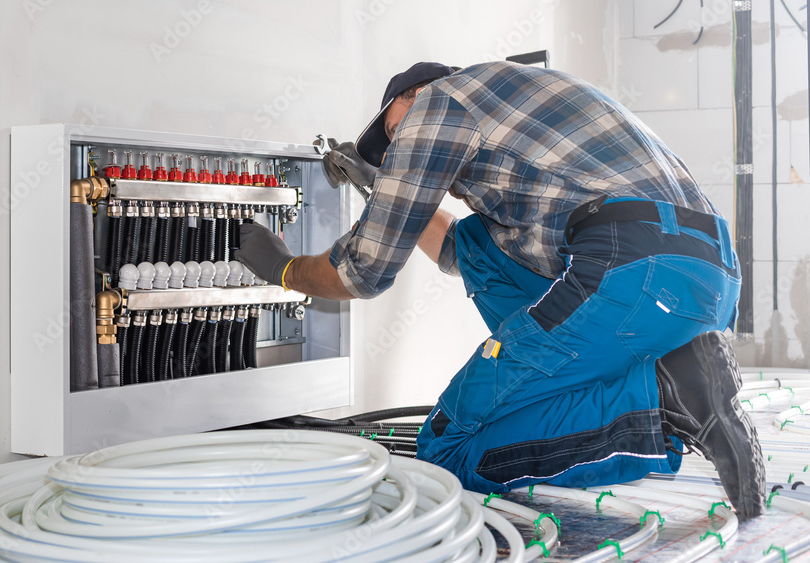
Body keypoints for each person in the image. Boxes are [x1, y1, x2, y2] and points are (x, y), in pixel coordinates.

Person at [235, 61, 766, 518]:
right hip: (707, 280)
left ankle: (665, 402)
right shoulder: (527, 101)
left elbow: (362, 272)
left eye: (393, 136)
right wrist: (383, 189)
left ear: (409, 97)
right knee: (477, 244)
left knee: (446, 447)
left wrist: (283, 268)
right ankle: (678, 387)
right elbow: (463, 254)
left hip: (629, 271)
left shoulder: (438, 103)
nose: (395, 149)